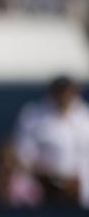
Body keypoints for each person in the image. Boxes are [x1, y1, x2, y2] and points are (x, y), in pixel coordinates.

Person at [13, 75, 89, 207]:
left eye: (68, 92)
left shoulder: (85, 116)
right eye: (60, 92)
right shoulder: (33, 115)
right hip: (44, 186)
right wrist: (52, 179)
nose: (64, 96)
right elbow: (24, 156)